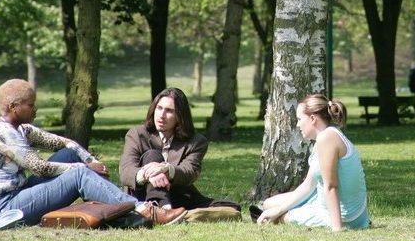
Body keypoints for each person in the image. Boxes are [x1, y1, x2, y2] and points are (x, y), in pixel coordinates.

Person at [0, 79, 186, 231]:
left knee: (68, 155)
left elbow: (65, 143)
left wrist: (91, 160)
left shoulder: (21, 128)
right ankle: (143, 209)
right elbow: (40, 167)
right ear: (13, 107)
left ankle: (117, 214)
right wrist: (85, 168)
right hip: (2, 208)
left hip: (15, 196)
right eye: (30, 105)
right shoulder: (4, 133)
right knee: (79, 174)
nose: (35, 109)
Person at [255, 94, 370, 231]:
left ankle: (326, 220)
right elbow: (309, 185)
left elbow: (331, 186)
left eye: (299, 119)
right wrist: (278, 209)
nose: (298, 125)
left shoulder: (327, 138)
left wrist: (337, 229)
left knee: (282, 217)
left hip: (345, 217)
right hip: (332, 207)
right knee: (269, 205)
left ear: (313, 119)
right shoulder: (325, 137)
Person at [119, 88, 239, 212]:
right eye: (159, 108)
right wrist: (149, 174)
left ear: (180, 116)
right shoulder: (137, 134)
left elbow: (189, 172)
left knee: (232, 207)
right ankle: (161, 207)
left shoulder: (197, 141)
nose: (161, 115)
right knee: (152, 156)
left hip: (177, 194)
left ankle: (169, 210)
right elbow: (126, 171)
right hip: (141, 196)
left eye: (169, 111)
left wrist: (167, 169)